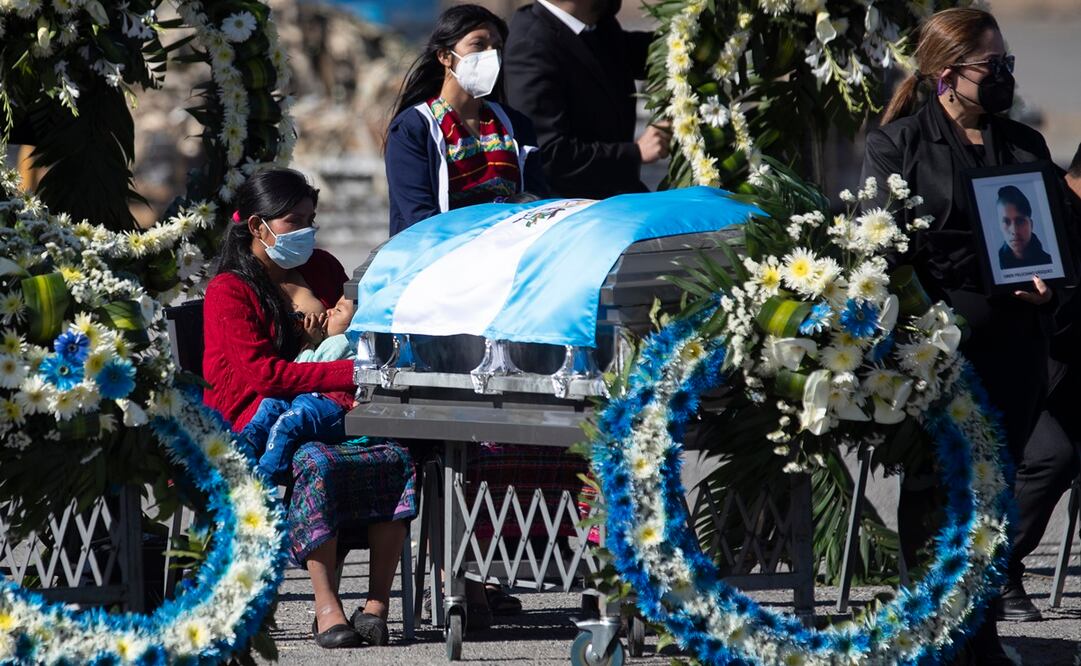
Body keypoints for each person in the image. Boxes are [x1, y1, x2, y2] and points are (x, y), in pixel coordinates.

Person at [860, 7, 1080, 661]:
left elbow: (1055, 242)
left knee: (992, 493)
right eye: (993, 66)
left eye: (1007, 63)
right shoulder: (896, 145)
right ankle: (926, 630)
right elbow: (880, 254)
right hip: (935, 348)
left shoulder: (1024, 146)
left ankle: (977, 632)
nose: (1004, 76)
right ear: (948, 72)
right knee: (933, 489)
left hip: (1014, 347)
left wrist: (1046, 284)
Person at [203, 169, 416, 649]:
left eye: (311, 219)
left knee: (396, 454)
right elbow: (265, 378)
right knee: (313, 462)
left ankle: (377, 604)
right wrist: (349, 373)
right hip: (257, 417)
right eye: (294, 220)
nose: (307, 231)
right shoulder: (229, 291)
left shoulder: (322, 267)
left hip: (329, 407)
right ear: (258, 226)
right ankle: (326, 607)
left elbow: (359, 332)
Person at [384, 4, 546, 235]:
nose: (491, 55)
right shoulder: (413, 128)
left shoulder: (516, 125)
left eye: (497, 47)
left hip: (508, 250)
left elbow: (537, 202)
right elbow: (418, 219)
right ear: (445, 56)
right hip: (441, 256)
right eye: (478, 44)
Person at [503, 0, 669, 198]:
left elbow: (647, 53)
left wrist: (697, 36)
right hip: (573, 207)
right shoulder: (531, 44)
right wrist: (636, 152)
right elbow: (548, 154)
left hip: (616, 194)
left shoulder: (593, 25)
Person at [237, 296, 357, 486]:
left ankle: (265, 479)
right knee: (271, 404)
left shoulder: (343, 341)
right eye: (333, 306)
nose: (329, 312)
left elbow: (304, 368)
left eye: (339, 311)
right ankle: (245, 447)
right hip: (311, 399)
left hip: (331, 405)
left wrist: (309, 342)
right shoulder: (332, 341)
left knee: (288, 423)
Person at [996, 185, 1052, 269]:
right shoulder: (992, 268)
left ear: (1031, 225)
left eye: (1020, 221)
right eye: (1006, 222)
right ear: (1000, 226)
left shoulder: (1051, 263)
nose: (1014, 230)